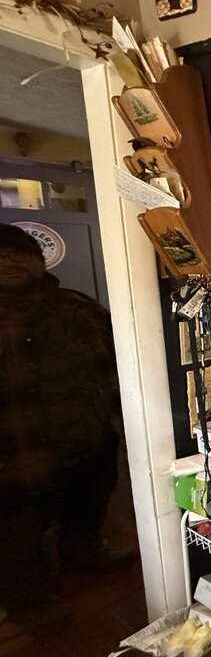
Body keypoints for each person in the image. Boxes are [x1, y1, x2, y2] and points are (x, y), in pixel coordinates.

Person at [0, 224, 127, 632]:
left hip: (89, 448)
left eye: (19, 253)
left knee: (87, 516)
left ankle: (85, 563)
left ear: (39, 259)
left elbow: (119, 370)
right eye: (0, 255)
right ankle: (29, 606)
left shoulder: (78, 307)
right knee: (18, 541)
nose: (9, 261)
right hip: (16, 460)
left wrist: (125, 429)